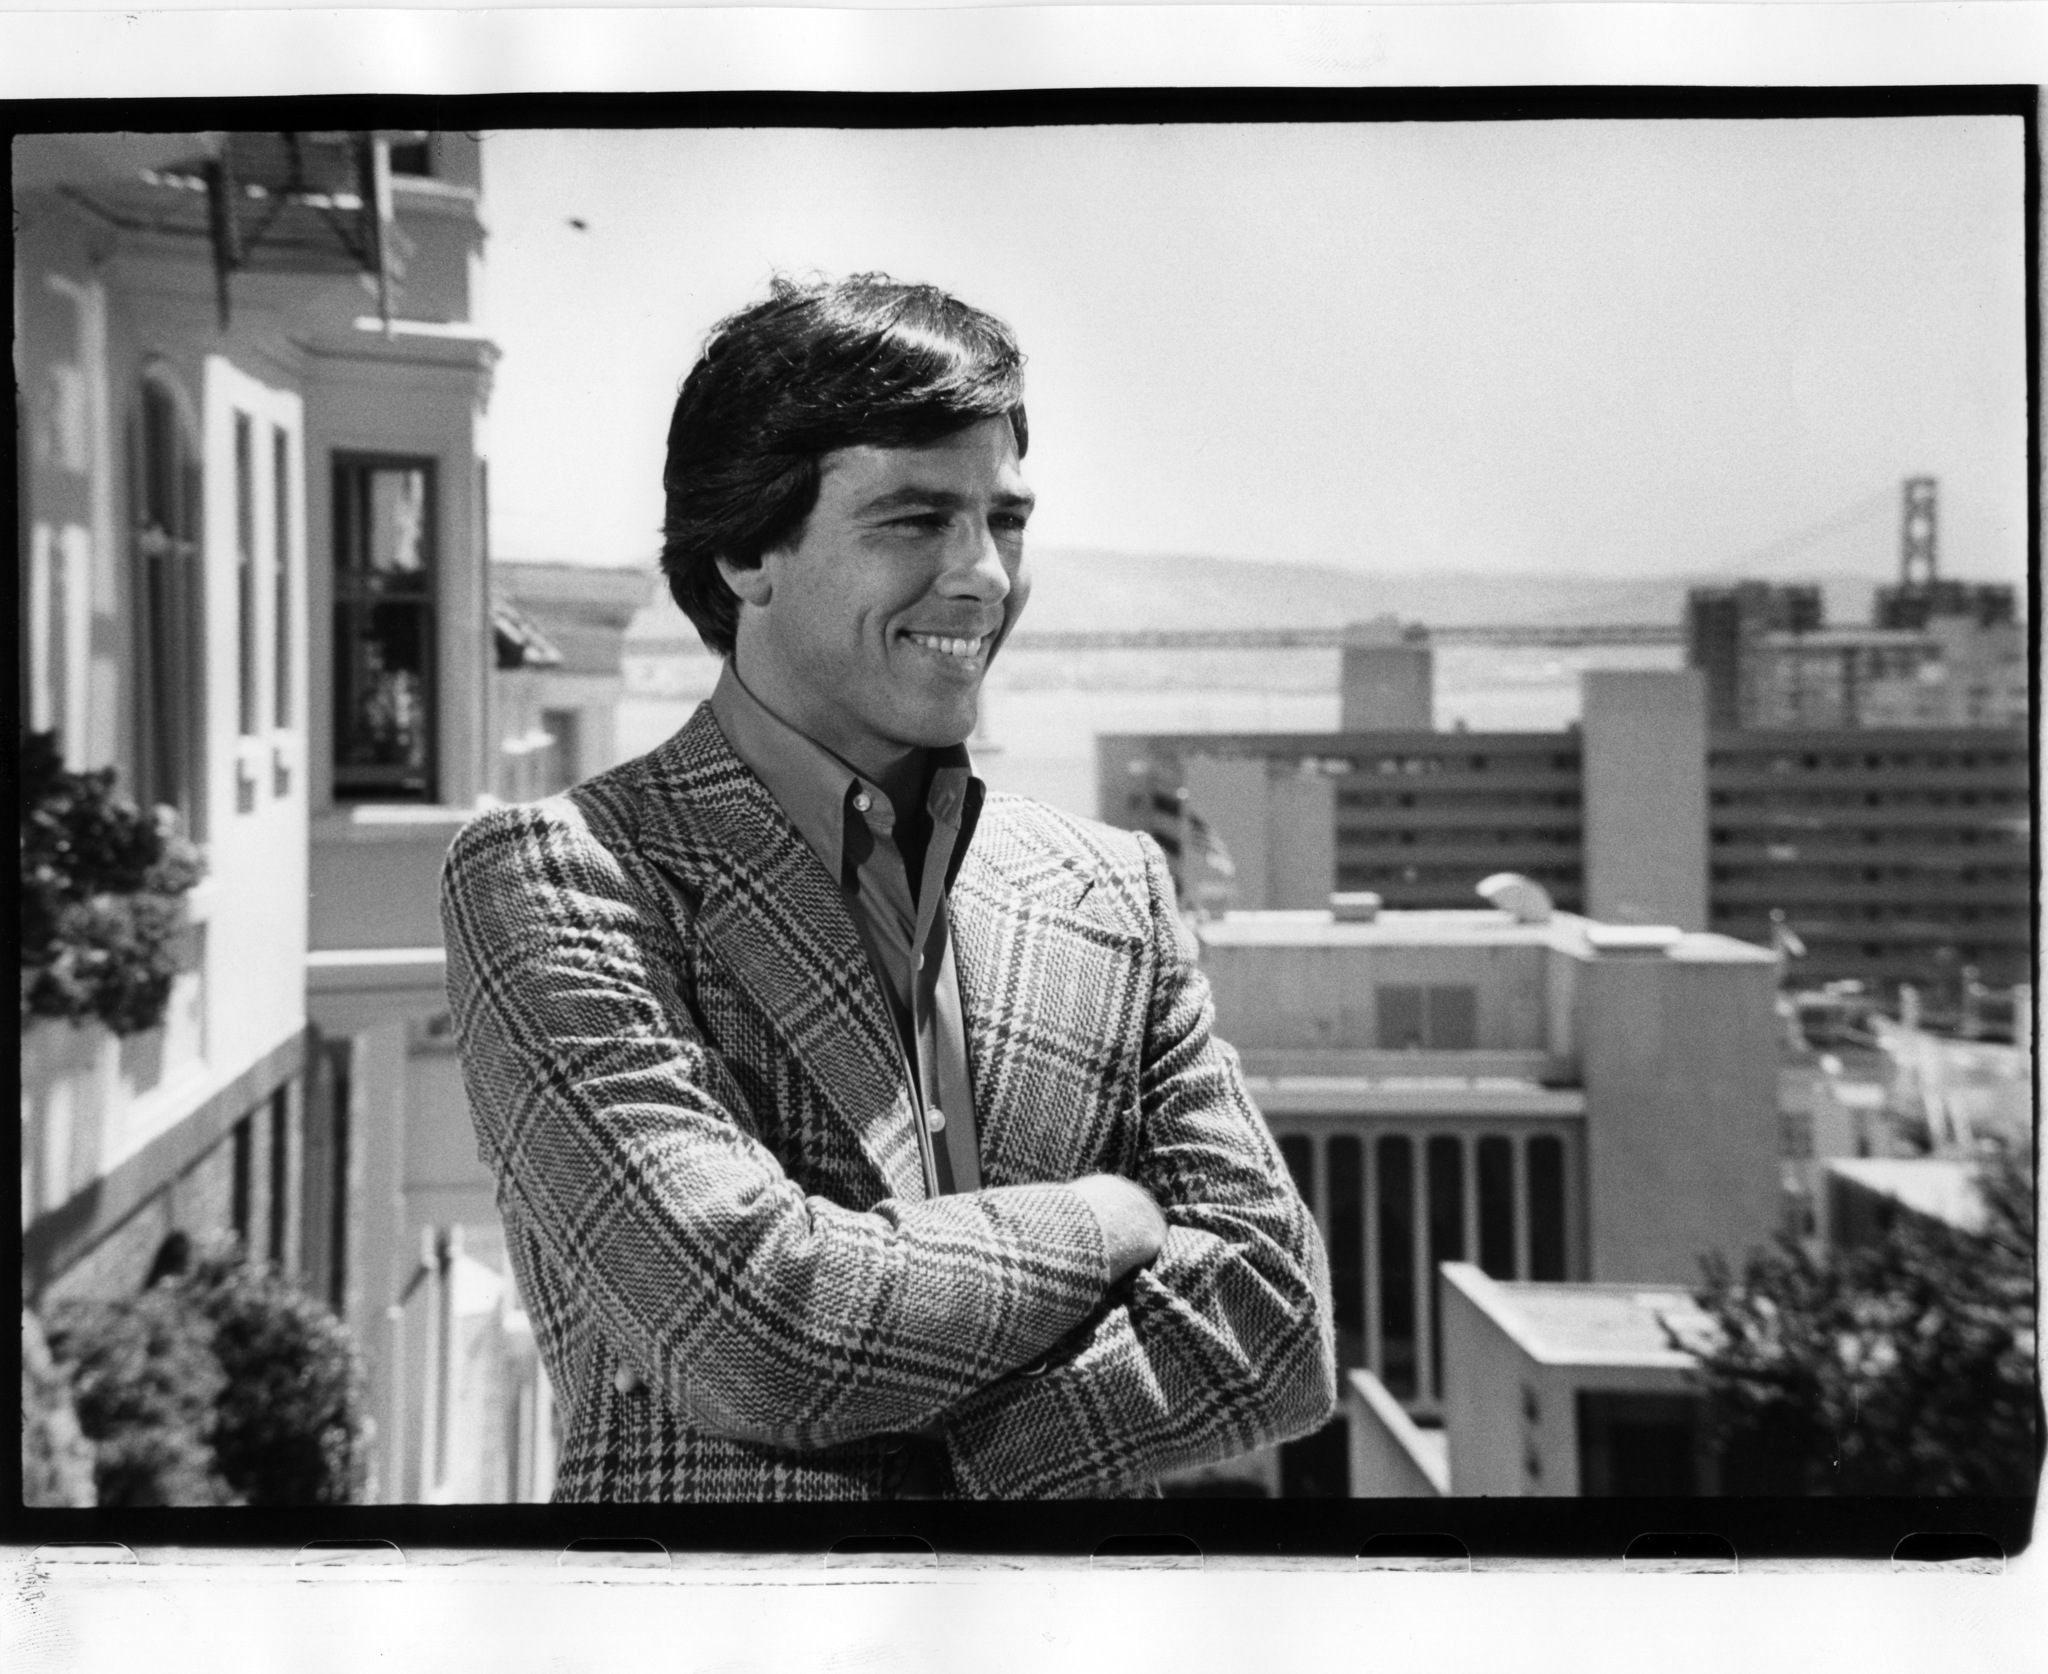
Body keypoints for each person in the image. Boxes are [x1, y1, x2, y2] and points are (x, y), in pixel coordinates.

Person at [440, 274, 1334, 1500]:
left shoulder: (1110, 890)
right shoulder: (569, 879)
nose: (982, 577)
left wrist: (926, 1448)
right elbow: (757, 1332)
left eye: (1003, 522)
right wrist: (1111, 1219)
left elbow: (1272, 1327)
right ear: (747, 547)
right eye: (914, 520)